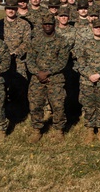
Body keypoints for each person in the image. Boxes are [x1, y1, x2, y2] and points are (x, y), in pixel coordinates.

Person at [24, 14, 71, 143]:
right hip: (37, 78)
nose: (48, 26)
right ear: (42, 25)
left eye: (50, 24)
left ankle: (59, 130)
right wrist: (38, 73)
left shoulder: (62, 41)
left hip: (55, 78)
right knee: (35, 105)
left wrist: (48, 72)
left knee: (58, 105)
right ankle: (37, 130)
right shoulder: (35, 41)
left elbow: (62, 62)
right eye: (45, 24)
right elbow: (30, 60)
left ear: (54, 25)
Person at [73, 17, 100, 144]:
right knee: (88, 106)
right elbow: (80, 62)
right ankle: (90, 131)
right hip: (87, 81)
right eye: (96, 27)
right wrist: (89, 74)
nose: (98, 29)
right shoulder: (85, 44)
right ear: (92, 29)